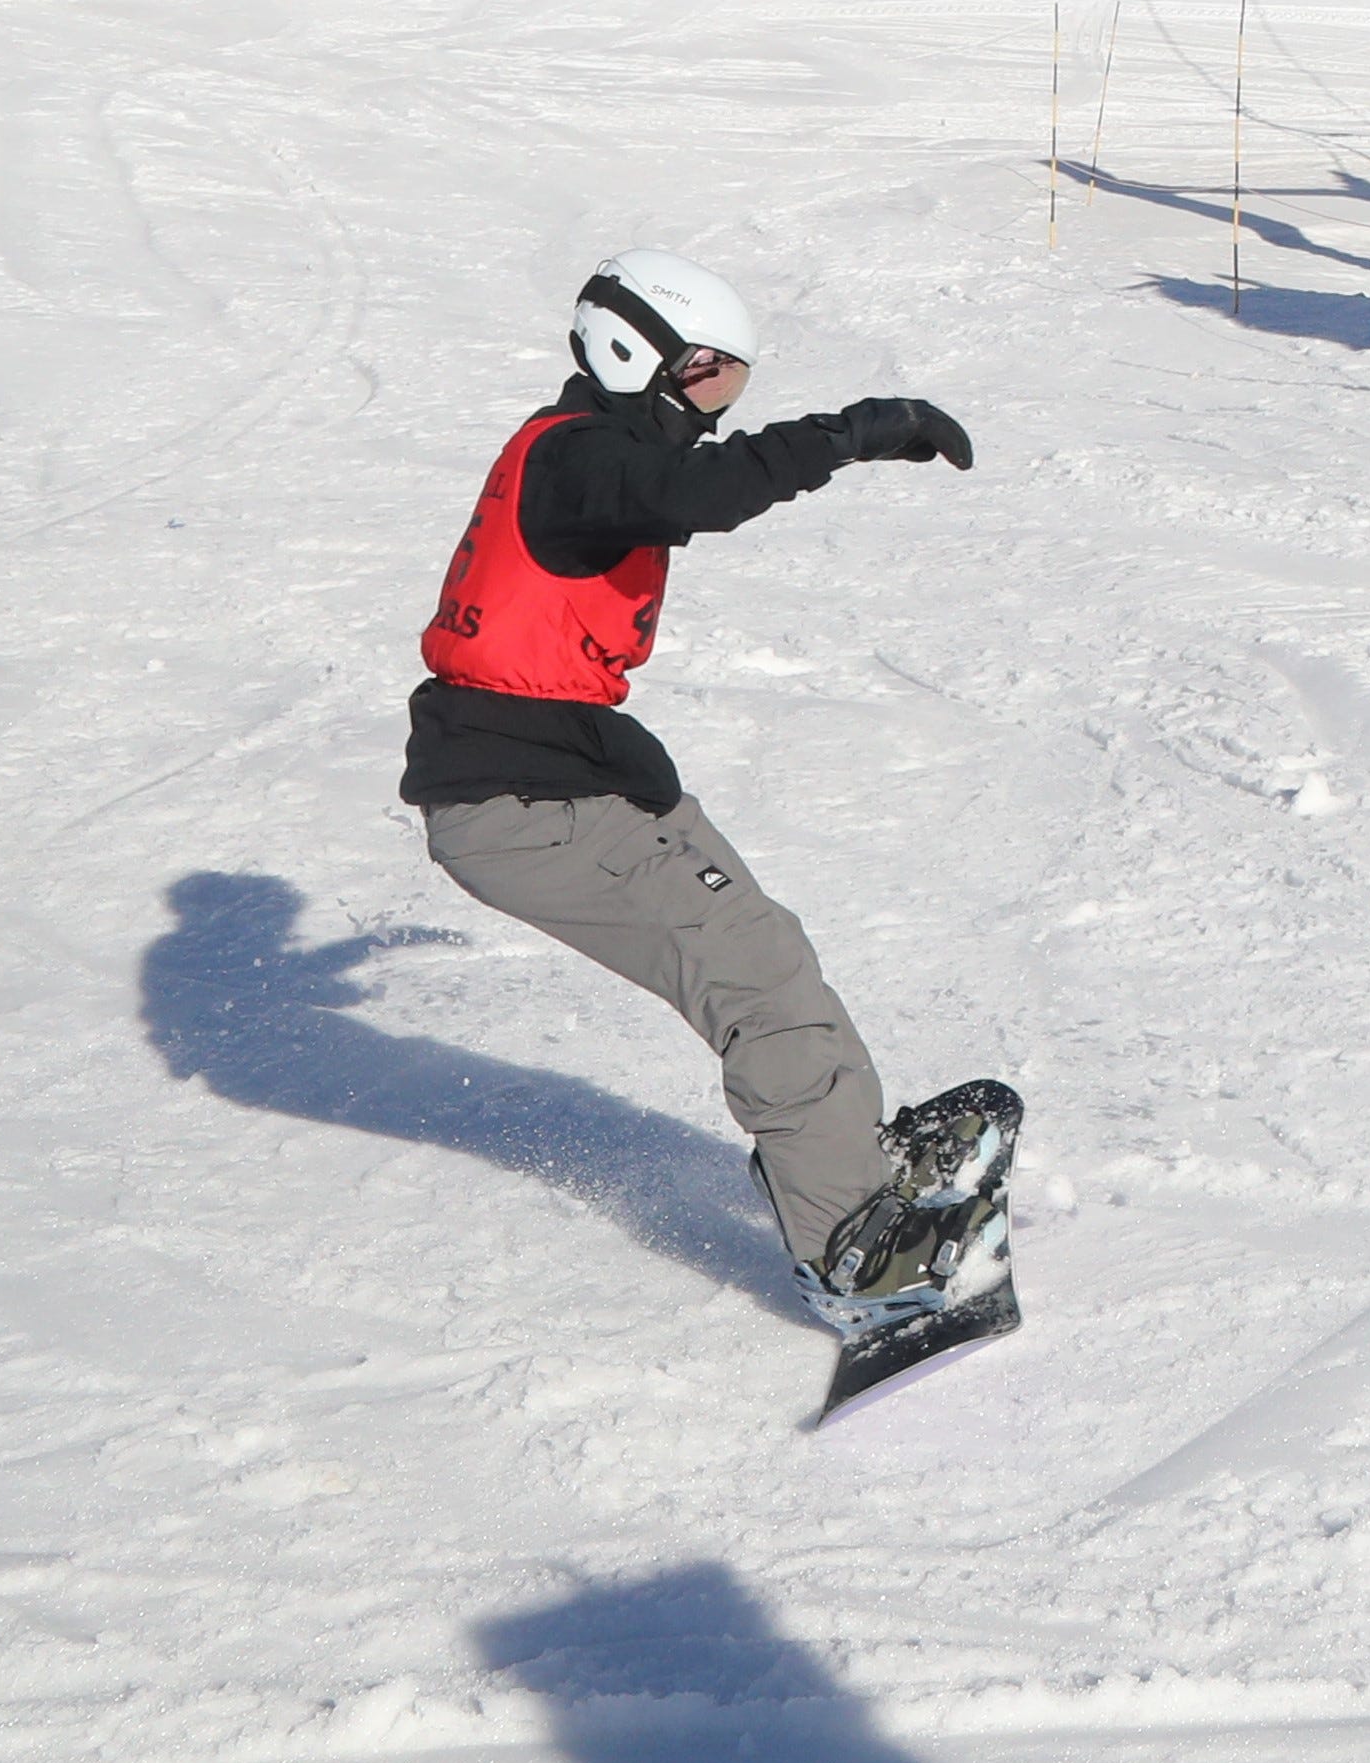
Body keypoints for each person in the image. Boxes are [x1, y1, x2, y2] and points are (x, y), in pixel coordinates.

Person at [400, 251, 998, 1342]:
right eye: (713, 379)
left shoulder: (583, 453)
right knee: (753, 980)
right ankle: (856, 1259)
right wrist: (851, 433)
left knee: (766, 946)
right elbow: (698, 497)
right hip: (520, 798)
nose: (723, 411)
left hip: (574, 770)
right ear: (640, 358)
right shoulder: (580, 460)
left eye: (737, 386)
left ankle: (847, 1163)